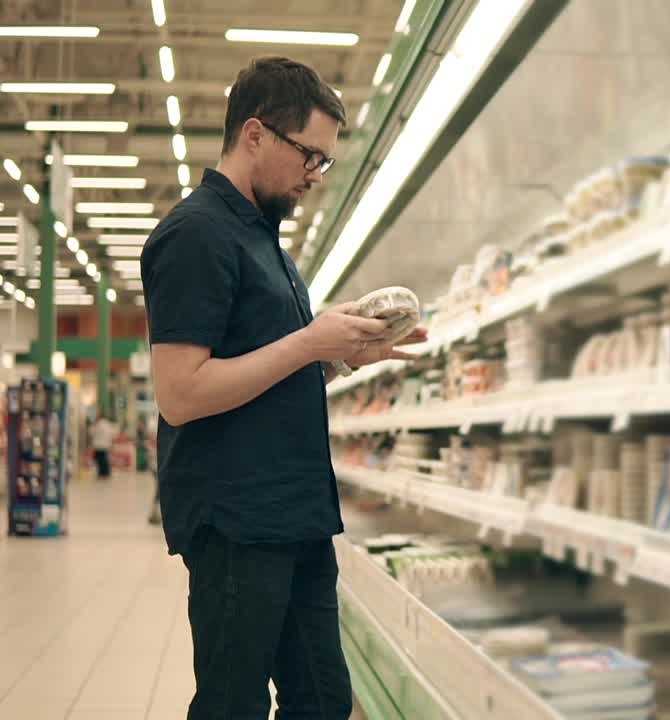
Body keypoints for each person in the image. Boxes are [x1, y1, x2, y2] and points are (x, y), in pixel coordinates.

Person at [141, 57, 425, 720]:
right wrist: (309, 340)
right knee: (233, 704)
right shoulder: (197, 235)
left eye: (322, 161)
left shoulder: (264, 240)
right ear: (255, 134)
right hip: (239, 523)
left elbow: (265, 375)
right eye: (310, 156)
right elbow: (181, 393)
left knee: (324, 701)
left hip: (295, 516)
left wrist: (345, 354)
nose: (315, 176)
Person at [90, 415, 114, 479]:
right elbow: (112, 434)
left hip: (98, 445)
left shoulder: (97, 424)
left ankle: (102, 473)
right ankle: (106, 473)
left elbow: (92, 432)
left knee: (100, 460)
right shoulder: (108, 424)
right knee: (104, 459)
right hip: (106, 445)